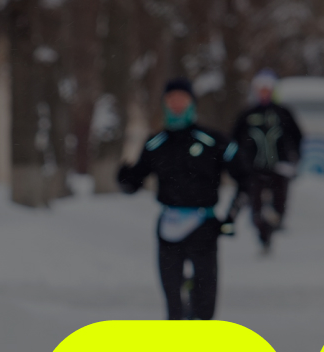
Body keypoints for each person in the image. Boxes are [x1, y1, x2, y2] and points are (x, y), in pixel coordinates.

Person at [117, 77, 241, 321]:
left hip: (204, 226)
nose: (176, 105)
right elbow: (134, 181)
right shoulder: (156, 143)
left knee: (204, 307)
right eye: (171, 99)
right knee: (174, 306)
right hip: (168, 227)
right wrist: (124, 176)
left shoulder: (212, 140)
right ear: (164, 104)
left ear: (192, 103)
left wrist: (231, 215)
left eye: (181, 99)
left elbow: (245, 176)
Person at [228, 69, 303, 252]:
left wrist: (294, 159)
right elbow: (234, 139)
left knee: (279, 203)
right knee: (256, 206)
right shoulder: (247, 114)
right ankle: (262, 234)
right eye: (260, 90)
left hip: (280, 166)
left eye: (267, 90)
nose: (264, 93)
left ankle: (274, 224)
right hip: (254, 168)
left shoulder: (283, 113)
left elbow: (297, 137)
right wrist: (238, 163)